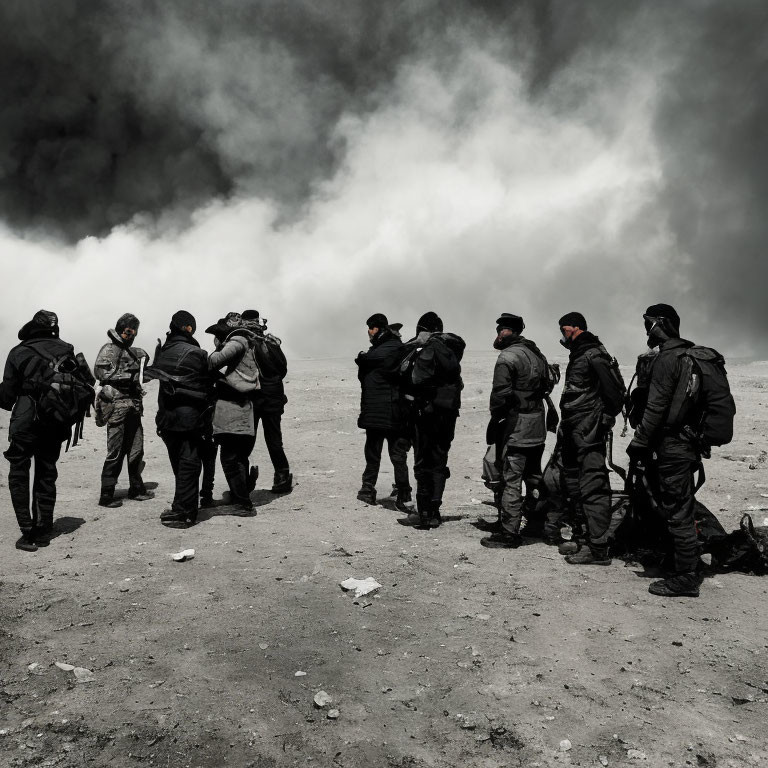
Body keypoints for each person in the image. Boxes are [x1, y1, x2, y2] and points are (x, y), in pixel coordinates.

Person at [626, 304, 709, 597]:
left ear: (658, 324)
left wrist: (637, 443)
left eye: (647, 322)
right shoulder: (688, 356)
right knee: (676, 504)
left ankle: (686, 575)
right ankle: (680, 562)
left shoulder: (667, 359)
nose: (644, 328)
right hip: (687, 443)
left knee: (677, 508)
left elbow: (655, 408)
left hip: (672, 446)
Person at [0, 310, 92, 551]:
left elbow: (7, 397)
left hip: (25, 421)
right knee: (46, 472)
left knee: (20, 473)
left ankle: (27, 531)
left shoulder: (18, 352)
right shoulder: (66, 349)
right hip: (55, 421)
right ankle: (44, 527)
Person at [557, 311, 625, 565]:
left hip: (589, 432)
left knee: (593, 485)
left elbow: (615, 396)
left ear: (575, 328)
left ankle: (597, 548)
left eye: (564, 330)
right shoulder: (581, 353)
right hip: (575, 430)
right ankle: (583, 539)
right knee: (574, 484)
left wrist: (601, 422)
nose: (561, 336)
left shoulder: (593, 353)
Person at [481, 313, 552, 549]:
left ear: (507, 331)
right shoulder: (535, 353)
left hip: (517, 428)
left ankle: (509, 532)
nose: (498, 333)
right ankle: (537, 524)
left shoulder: (508, 357)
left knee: (511, 479)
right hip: (537, 426)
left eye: (501, 329)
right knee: (534, 478)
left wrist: (497, 420)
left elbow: (500, 396)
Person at [397, 312, 465, 529]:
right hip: (449, 414)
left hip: (427, 413)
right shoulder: (453, 347)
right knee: (439, 460)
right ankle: (435, 510)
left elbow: (417, 378)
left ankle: (424, 512)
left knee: (422, 462)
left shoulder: (428, 349)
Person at [146, 310, 211, 528]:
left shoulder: (162, 352)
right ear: (190, 329)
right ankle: (185, 511)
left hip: (166, 420)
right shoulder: (198, 353)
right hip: (191, 419)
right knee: (189, 464)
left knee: (179, 464)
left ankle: (181, 507)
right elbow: (208, 384)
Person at [354, 313, 412, 510]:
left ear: (376, 328)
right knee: (395, 455)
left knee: (376, 453)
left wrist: (362, 358)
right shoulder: (396, 348)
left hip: (382, 412)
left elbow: (368, 362)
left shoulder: (381, 351)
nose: (368, 333)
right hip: (393, 411)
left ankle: (369, 490)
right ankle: (403, 494)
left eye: (370, 328)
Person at [94, 313, 151, 507]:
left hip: (134, 406)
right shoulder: (108, 349)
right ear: (120, 329)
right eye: (128, 331)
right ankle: (107, 494)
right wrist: (127, 372)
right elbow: (101, 372)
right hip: (117, 406)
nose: (132, 334)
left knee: (136, 449)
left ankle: (136, 488)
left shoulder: (135, 352)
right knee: (115, 451)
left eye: (134, 331)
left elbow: (142, 376)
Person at [206, 313, 260, 513]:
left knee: (230, 458)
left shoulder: (237, 341)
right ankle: (241, 495)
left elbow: (213, 362)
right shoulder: (248, 342)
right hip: (243, 408)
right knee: (238, 457)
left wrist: (218, 349)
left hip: (234, 408)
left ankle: (242, 503)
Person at [241, 310, 293, 493]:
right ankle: (282, 476)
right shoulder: (271, 342)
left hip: (254, 399)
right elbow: (283, 370)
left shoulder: (244, 343)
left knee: (247, 440)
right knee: (274, 440)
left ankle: (243, 480)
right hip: (273, 399)